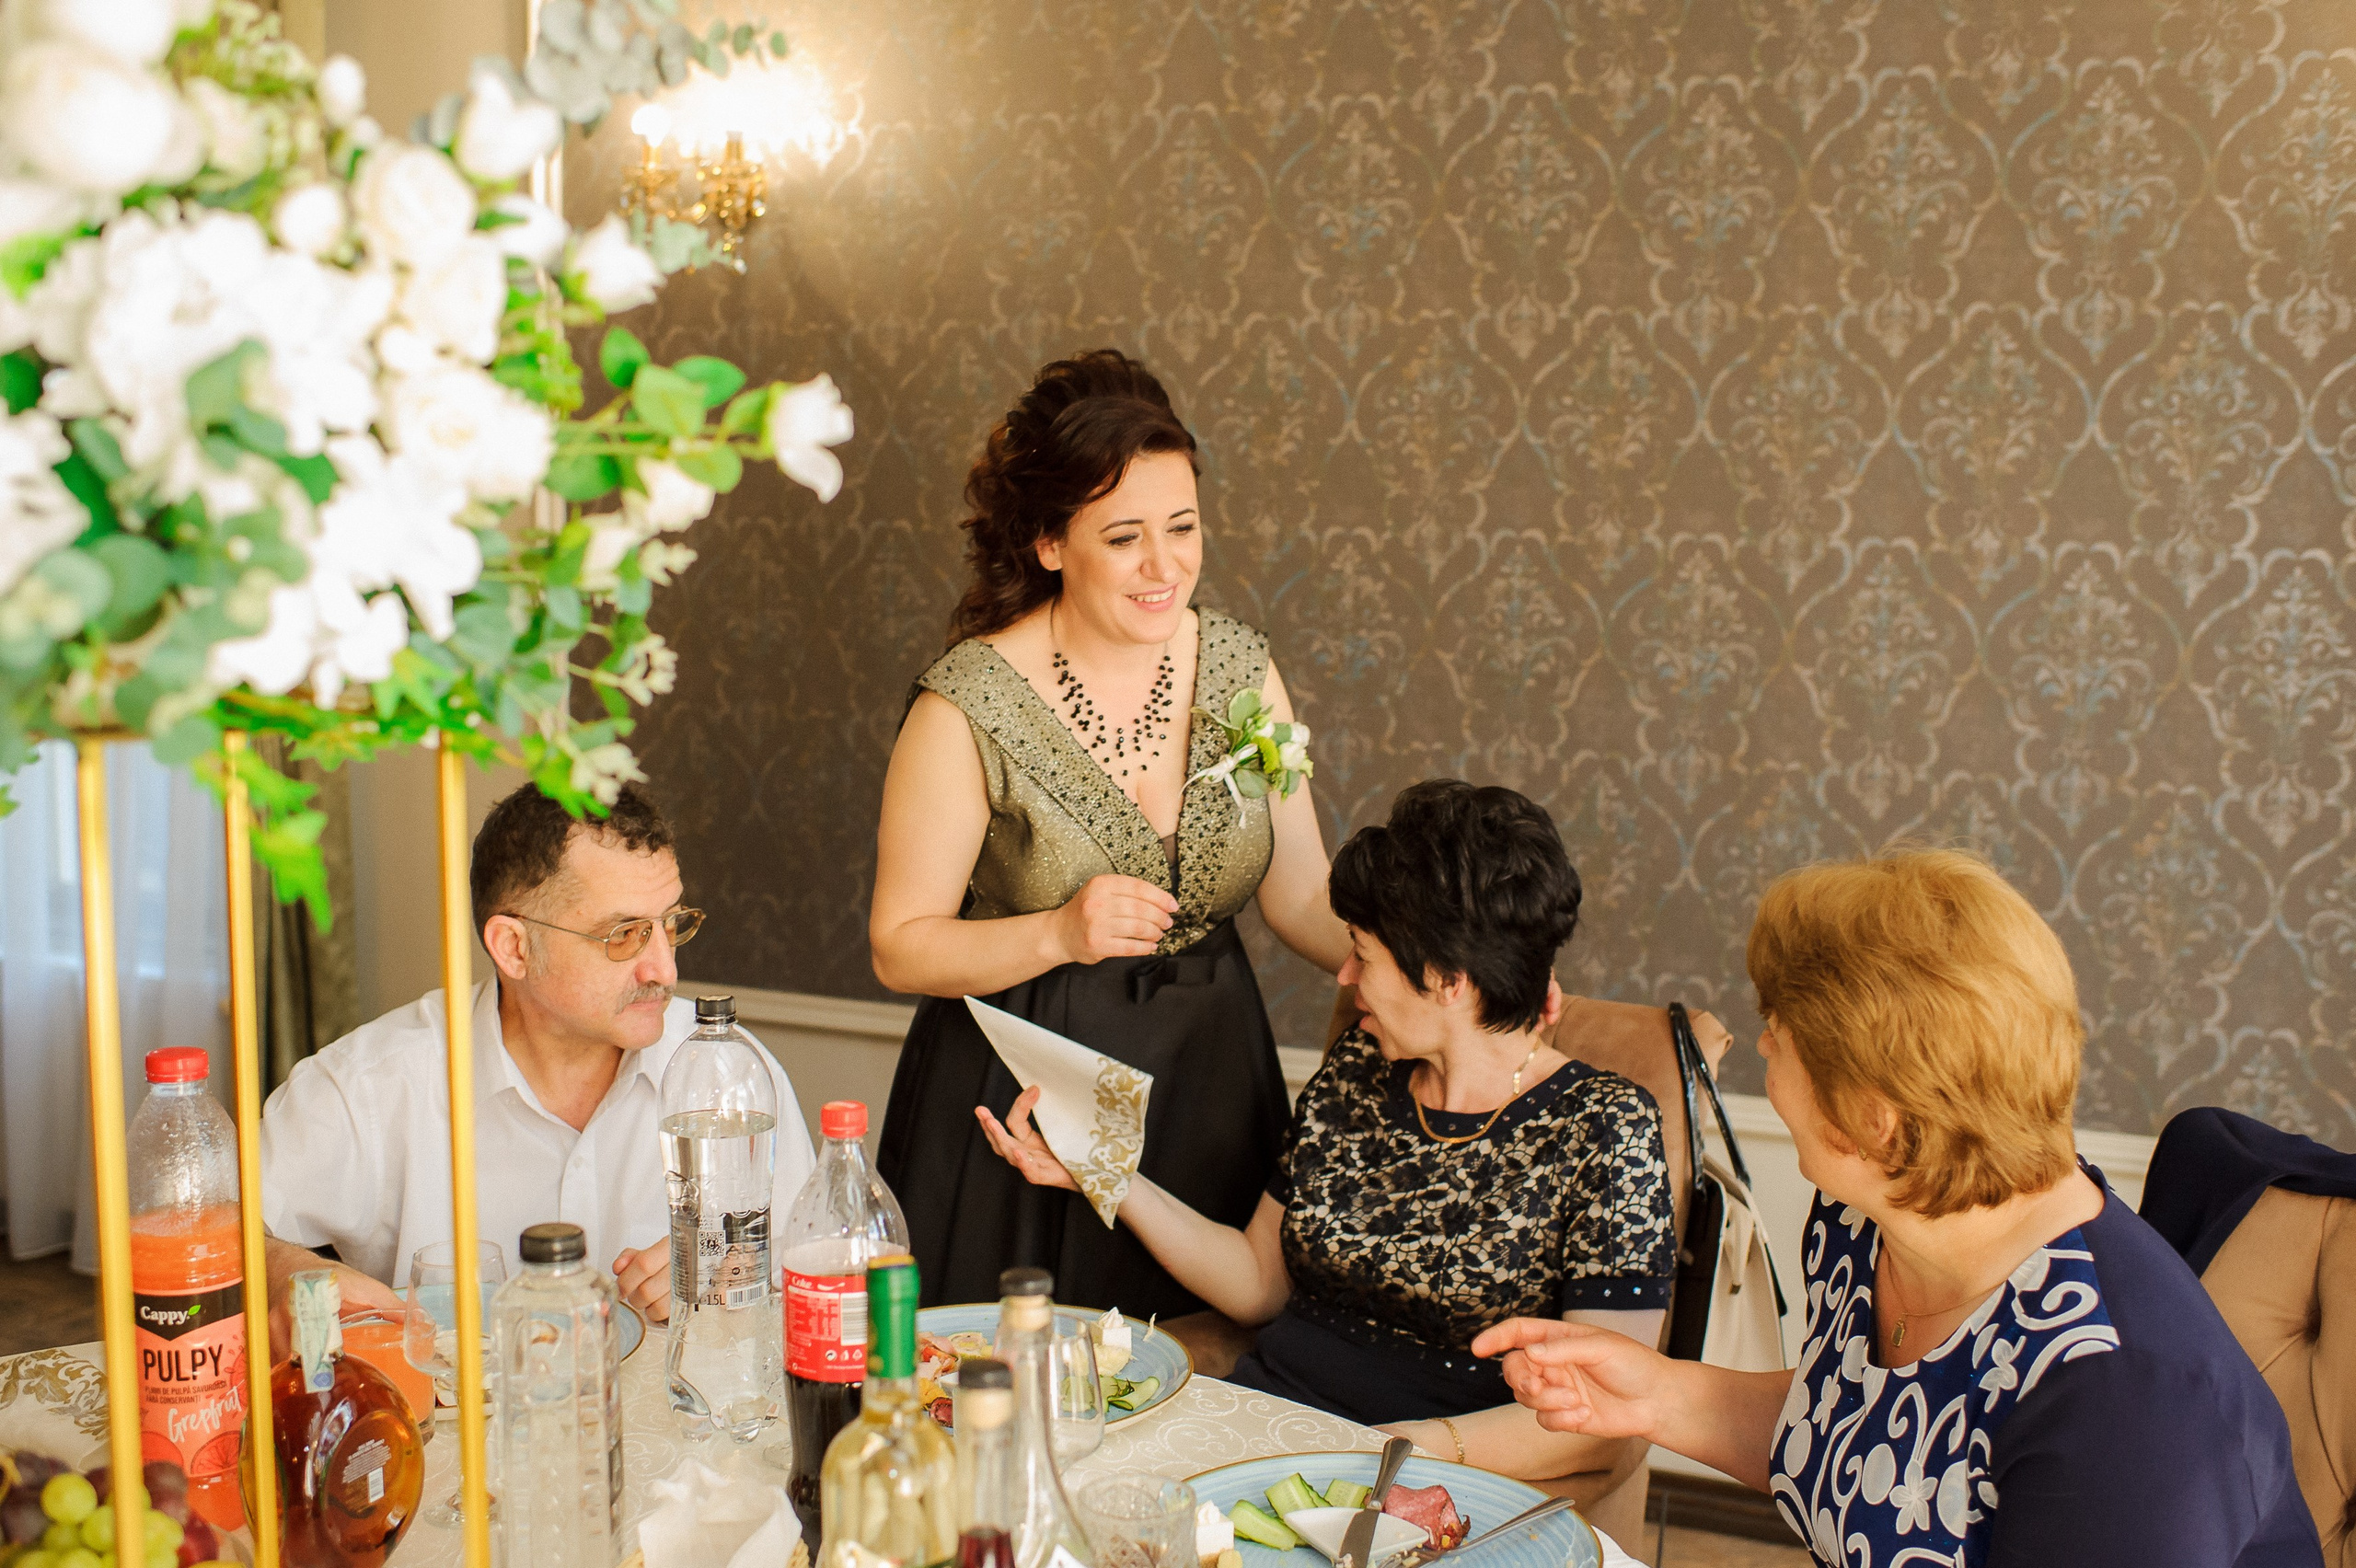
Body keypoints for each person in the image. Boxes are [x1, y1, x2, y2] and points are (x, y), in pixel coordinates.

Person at [1476, 850, 2325, 1567]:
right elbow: (1863, 1441)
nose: (1762, 1045)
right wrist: (1657, 1395)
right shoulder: (1865, 1222)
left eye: (1781, 1031)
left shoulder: (2128, 1406)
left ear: (1873, 1118)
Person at [977, 780, 1676, 1481]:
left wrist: (1398, 1452)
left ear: (1447, 980)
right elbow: (1259, 1281)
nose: (1344, 976)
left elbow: (1602, 1413)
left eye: (1363, 956)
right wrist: (1109, 1178)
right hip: (1266, 1420)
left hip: (1430, 1474)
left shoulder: (1606, 1128)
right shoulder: (1358, 1073)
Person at [871, 348, 1350, 1318]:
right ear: (1050, 543)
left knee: (1208, 1383)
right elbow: (899, 946)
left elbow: (1301, 893)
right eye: (1125, 537)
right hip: (1027, 1091)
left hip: (1213, 1081)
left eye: (1183, 527)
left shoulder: (1240, 671)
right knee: (1015, 1396)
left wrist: (1439, 965)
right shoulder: (966, 706)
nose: (1164, 565)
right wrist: (1059, 932)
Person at [260, 782, 815, 1340]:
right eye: (624, 935)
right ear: (514, 948)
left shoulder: (731, 1075)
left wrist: (739, 1272)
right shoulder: (375, 1083)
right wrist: (289, 1271)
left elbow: (818, 1273)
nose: (664, 970)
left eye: (670, 925)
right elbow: (205, 1221)